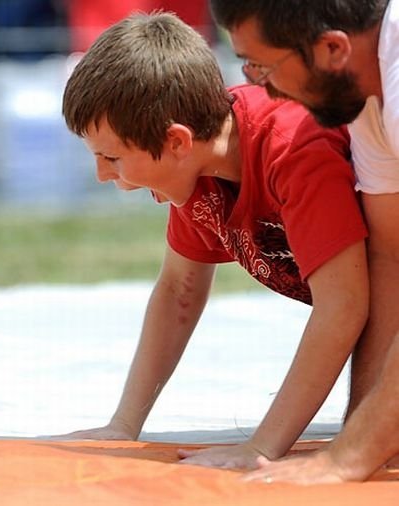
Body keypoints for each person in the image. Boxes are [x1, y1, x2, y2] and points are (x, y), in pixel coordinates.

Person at [58, 11, 369, 471]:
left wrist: (264, 446)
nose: (104, 176)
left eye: (111, 157)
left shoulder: (293, 147)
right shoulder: (197, 174)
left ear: (177, 141)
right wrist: (123, 423)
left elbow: (345, 305)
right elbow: (178, 291)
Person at [210, 0, 399, 483]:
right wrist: (365, 432)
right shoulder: (364, 92)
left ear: (333, 47)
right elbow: (390, 255)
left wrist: (349, 458)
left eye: (262, 65)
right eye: (245, 65)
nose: (255, 84)